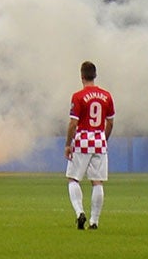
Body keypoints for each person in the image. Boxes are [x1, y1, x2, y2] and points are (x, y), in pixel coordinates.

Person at [65, 60, 115, 230]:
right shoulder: (107, 96)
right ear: (95, 75)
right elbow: (110, 122)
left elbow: (73, 123)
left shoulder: (78, 96)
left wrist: (68, 144)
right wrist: (103, 139)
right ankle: (94, 221)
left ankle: (80, 212)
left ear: (81, 76)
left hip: (83, 139)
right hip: (99, 139)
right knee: (97, 182)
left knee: (73, 179)